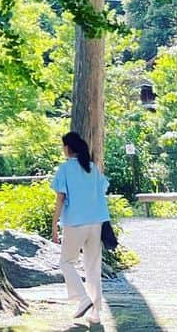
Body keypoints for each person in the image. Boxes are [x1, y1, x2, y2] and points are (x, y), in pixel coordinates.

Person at [50, 130, 110, 323]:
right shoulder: (92, 168)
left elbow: (60, 198)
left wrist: (54, 226)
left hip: (75, 222)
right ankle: (96, 313)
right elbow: (101, 191)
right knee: (93, 267)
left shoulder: (65, 169)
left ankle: (83, 299)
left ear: (68, 148)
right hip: (96, 222)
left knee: (66, 262)